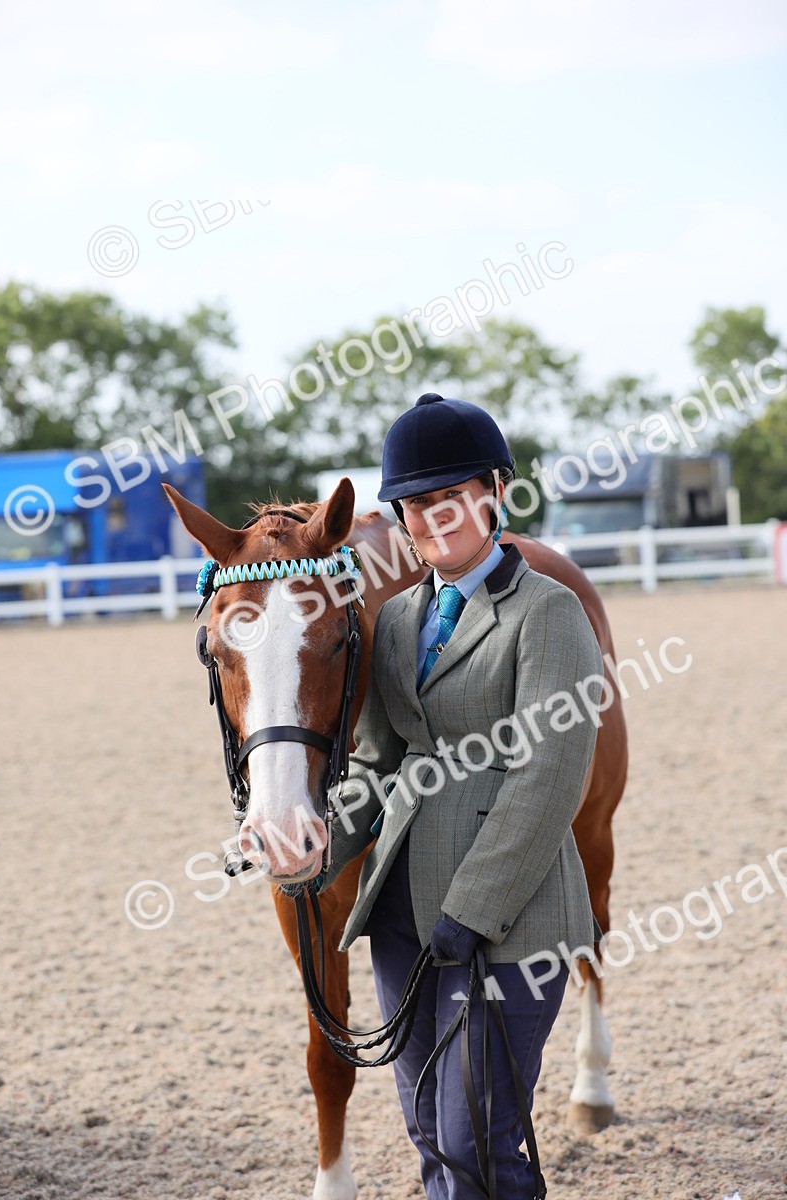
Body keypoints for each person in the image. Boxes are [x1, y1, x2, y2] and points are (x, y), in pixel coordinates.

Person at [321, 392, 603, 1200]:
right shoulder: (399, 620)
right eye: (413, 506)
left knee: (477, 1141)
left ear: (492, 494)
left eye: (446, 500)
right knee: (430, 1139)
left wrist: (473, 910)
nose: (429, 519)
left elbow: (547, 777)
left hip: (506, 925)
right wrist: (317, 848)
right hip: (405, 920)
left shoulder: (548, 613)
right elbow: (376, 764)